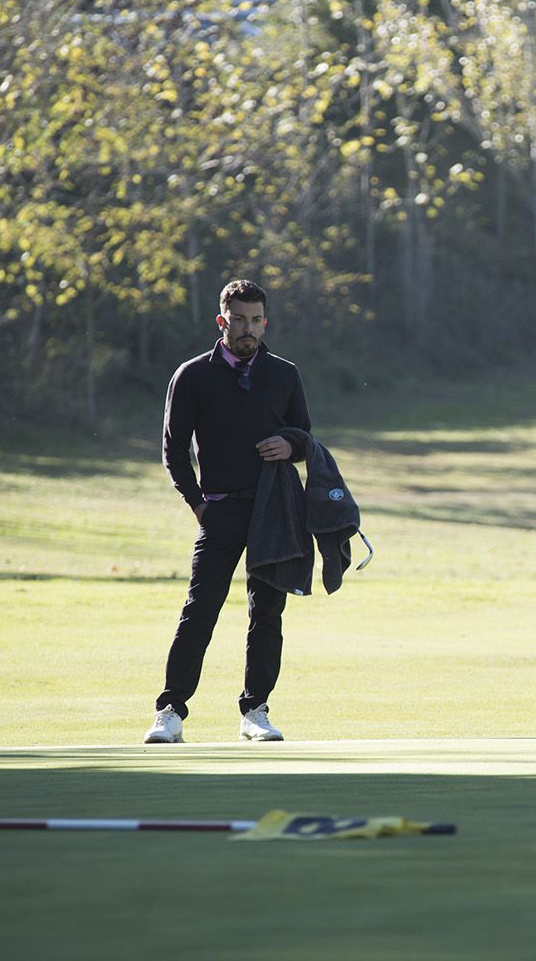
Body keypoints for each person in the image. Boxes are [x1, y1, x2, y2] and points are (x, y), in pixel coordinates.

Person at [144, 279, 312, 744]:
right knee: (200, 610)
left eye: (256, 319)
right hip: (218, 511)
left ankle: (255, 711)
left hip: (273, 512)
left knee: (267, 614)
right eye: (239, 319)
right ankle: (170, 711)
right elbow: (173, 451)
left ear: (265, 322)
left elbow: (306, 437)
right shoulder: (193, 375)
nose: (248, 329)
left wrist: (291, 442)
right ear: (222, 321)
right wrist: (198, 505)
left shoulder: (284, 374)